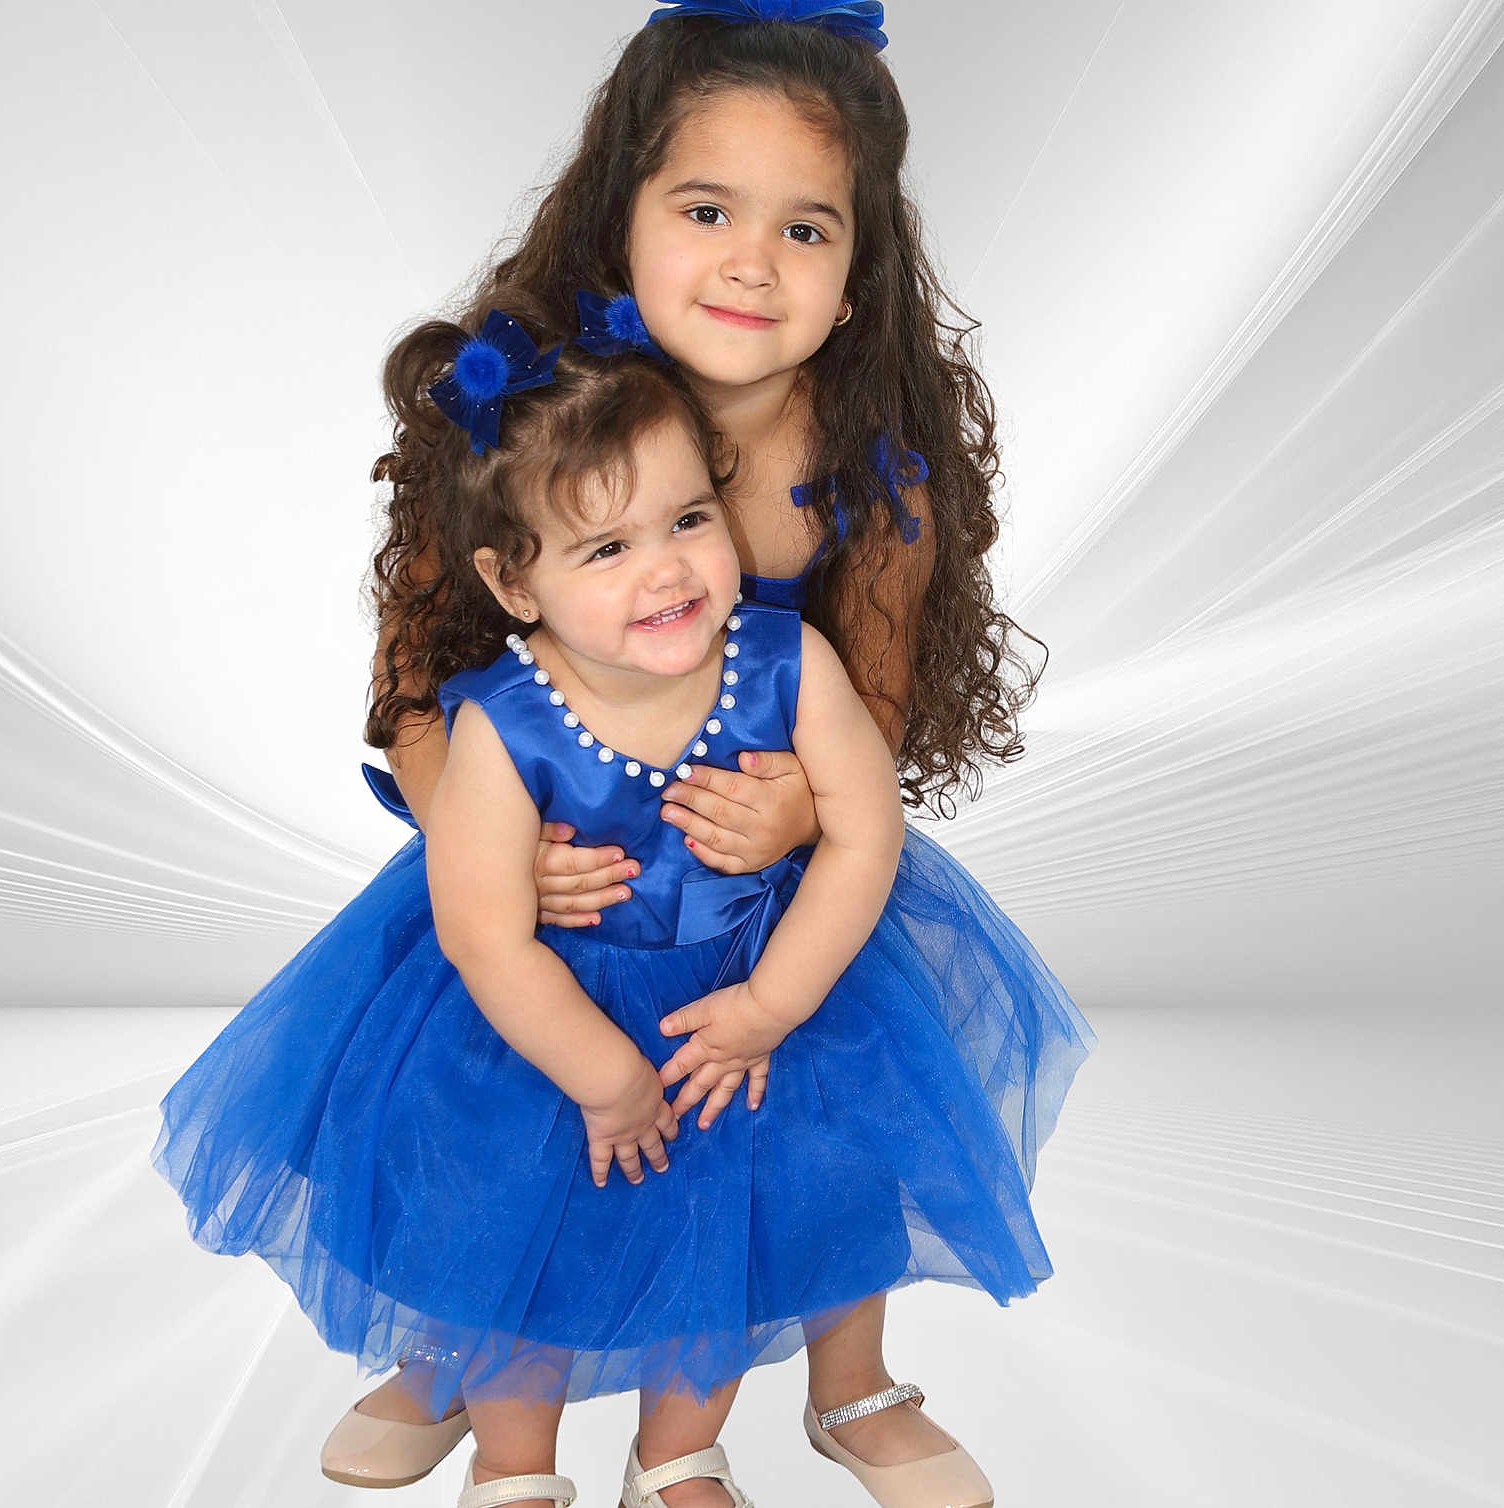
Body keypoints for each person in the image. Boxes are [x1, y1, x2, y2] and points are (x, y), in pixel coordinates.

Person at [342, 4, 1096, 1505]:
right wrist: (482, 842)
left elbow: (866, 720)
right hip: (551, 868)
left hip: (765, 895)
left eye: (806, 227)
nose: (752, 262)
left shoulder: (868, 478)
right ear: (618, 207)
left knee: (823, 1115)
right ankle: (464, 1349)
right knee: (502, 1113)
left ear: (858, 261)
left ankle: (845, 1385)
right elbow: (417, 676)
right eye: (704, 210)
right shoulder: (536, 413)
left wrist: (803, 807)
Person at [152, 307, 1093, 1508]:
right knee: (511, 1227)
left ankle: (677, 1453)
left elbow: (865, 832)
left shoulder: (784, 661)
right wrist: (598, 1070)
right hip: (547, 1016)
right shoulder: (500, 719)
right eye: (604, 549)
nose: (664, 567)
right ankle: (512, 1463)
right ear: (512, 580)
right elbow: (483, 930)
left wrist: (770, 1000)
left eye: (689, 519)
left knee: (732, 1216)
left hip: (745, 989)